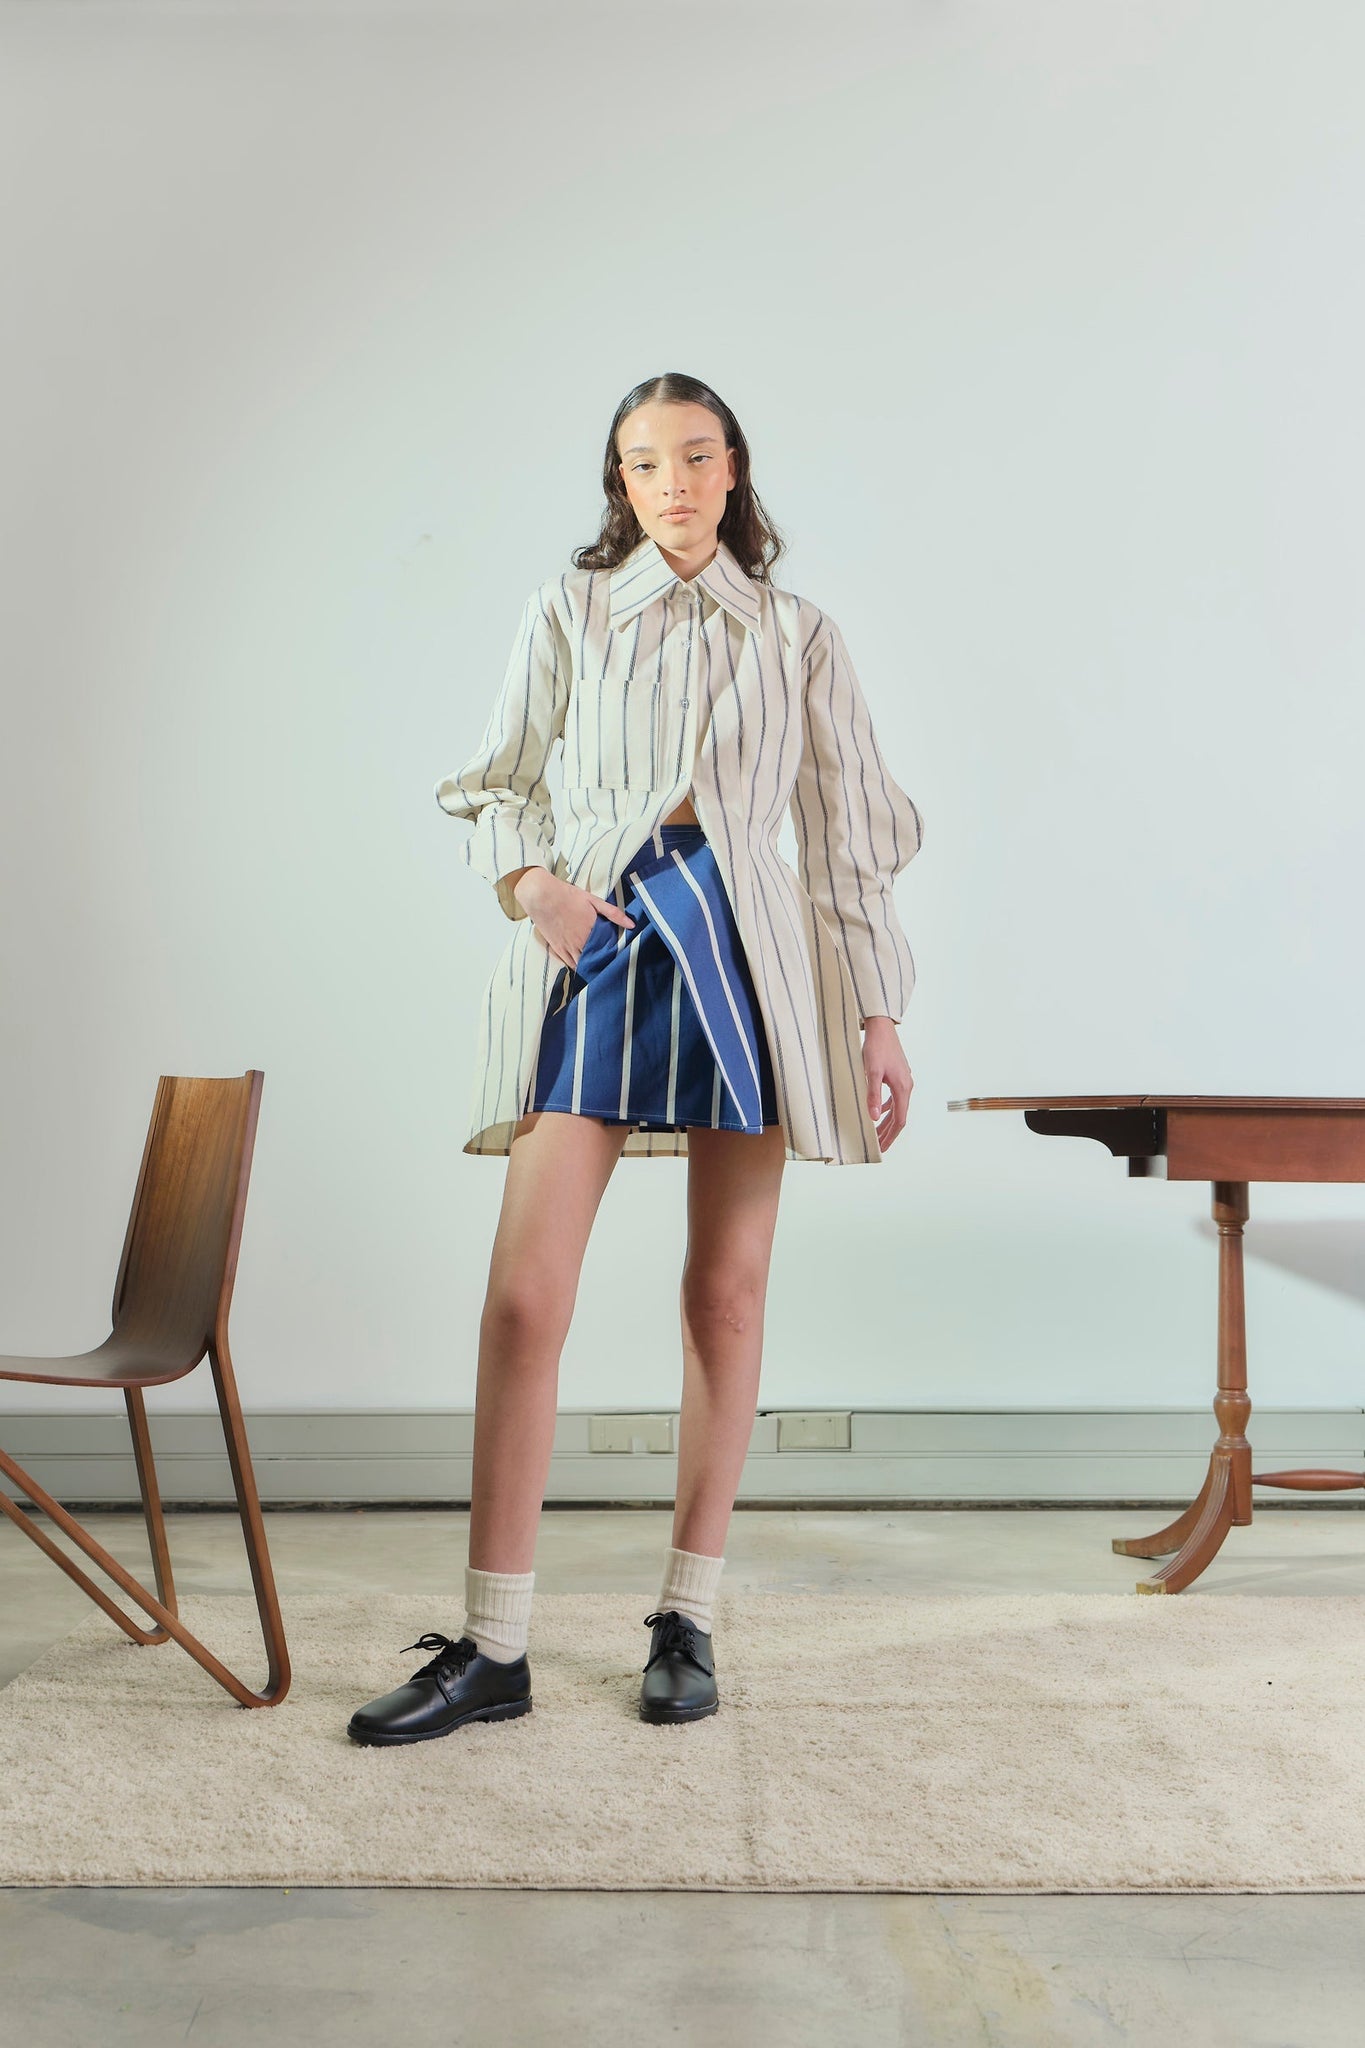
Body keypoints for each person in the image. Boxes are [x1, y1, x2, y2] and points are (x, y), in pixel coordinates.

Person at [347, 371, 925, 1746]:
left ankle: (687, 1619)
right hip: (598, 944)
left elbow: (849, 837)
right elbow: (494, 781)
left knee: (725, 1295)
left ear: (734, 470)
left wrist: (878, 1012)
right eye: (644, 461)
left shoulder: (798, 634)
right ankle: (493, 1647)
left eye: (695, 456)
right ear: (620, 481)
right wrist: (532, 889)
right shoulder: (568, 611)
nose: (671, 481)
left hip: (748, 954)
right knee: (522, 1302)